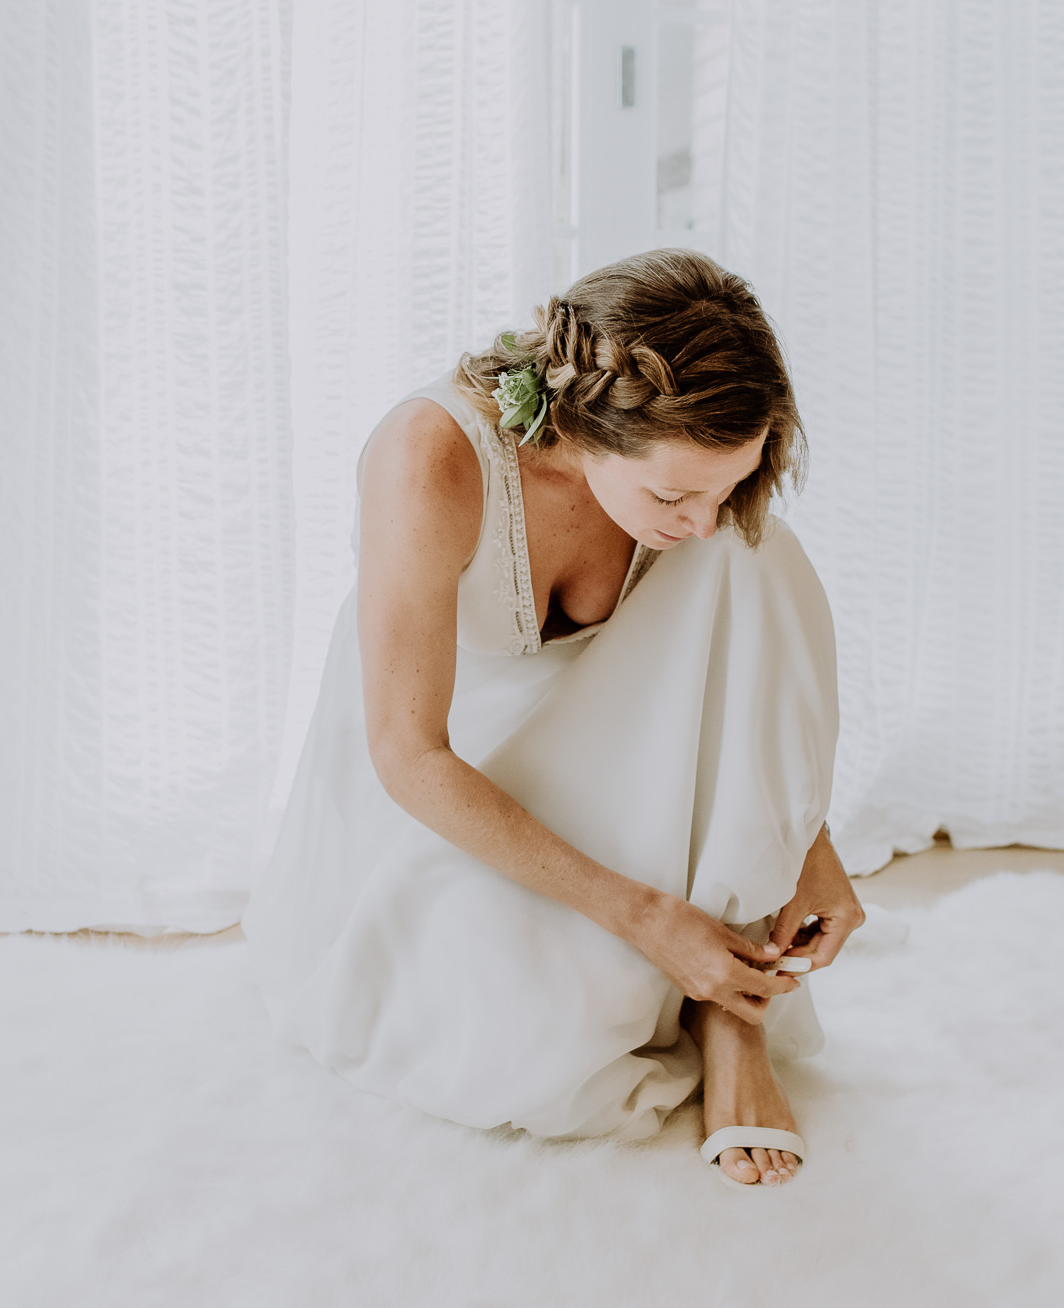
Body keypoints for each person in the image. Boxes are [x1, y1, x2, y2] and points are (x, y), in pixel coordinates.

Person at [245, 248, 865, 1187]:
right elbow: (408, 754)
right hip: (459, 776)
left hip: (628, 746)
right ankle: (682, 966)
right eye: (671, 494)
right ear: (587, 424)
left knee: (760, 556)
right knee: (535, 1053)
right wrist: (648, 919)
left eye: (726, 485)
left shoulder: (704, 516)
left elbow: (744, 660)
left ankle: (735, 1014)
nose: (700, 521)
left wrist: (805, 844)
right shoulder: (431, 459)